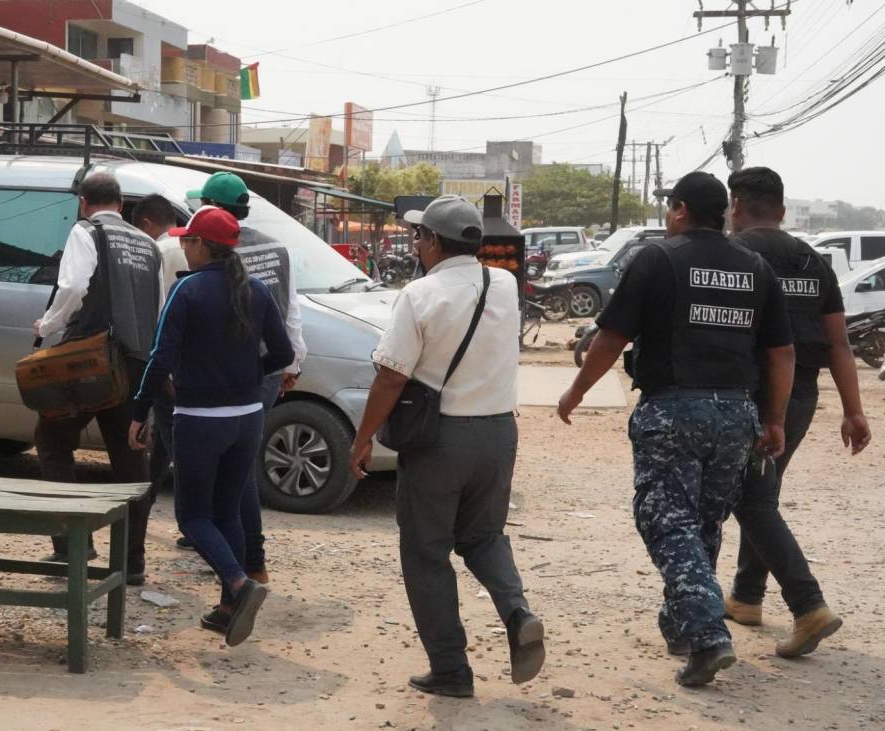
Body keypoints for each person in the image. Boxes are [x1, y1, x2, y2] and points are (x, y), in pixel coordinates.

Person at [558, 171, 795, 687]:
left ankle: (708, 635)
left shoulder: (658, 259)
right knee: (703, 524)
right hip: (736, 415)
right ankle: (681, 624)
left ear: (683, 209)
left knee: (666, 522)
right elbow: (782, 353)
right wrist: (774, 418)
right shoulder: (755, 267)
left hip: (674, 411)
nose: (668, 215)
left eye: (671, 207)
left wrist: (576, 390)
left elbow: (612, 335)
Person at [351, 195, 545, 699]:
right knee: (483, 537)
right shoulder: (502, 283)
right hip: (499, 433)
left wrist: (362, 437)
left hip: (440, 442)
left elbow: (391, 377)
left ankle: (451, 669)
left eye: (419, 236)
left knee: (425, 552)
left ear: (433, 241)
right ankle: (517, 611)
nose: (416, 244)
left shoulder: (419, 294)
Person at [128, 206, 293, 647]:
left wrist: (139, 410)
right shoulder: (256, 290)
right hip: (247, 417)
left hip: (201, 420)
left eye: (187, 240)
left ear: (201, 246)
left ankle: (240, 584)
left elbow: (160, 358)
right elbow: (282, 353)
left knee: (193, 516)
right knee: (226, 511)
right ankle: (226, 609)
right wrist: (246, 374)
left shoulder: (188, 292)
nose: (182, 245)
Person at [724, 167, 870, 656]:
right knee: (762, 489)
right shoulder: (814, 261)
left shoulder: (739, 255)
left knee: (752, 499)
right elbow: (838, 342)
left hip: (754, 393)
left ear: (735, 208)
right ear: (783, 211)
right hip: (802, 395)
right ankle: (746, 597)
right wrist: (854, 410)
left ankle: (809, 607)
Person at [33, 173, 162, 585]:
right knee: (130, 460)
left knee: (52, 442)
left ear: (84, 202)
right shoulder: (148, 245)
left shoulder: (85, 231)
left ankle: (72, 543)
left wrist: (48, 324)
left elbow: (72, 286)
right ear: (122, 205)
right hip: (137, 363)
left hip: (88, 362)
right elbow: (156, 308)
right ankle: (131, 564)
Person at [190, 172, 307, 582]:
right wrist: (290, 365)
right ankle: (242, 559)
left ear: (210, 209)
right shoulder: (278, 248)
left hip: (225, 374)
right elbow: (292, 311)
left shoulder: (207, 252)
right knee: (238, 470)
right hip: (266, 372)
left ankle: (243, 563)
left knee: (230, 478)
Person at [132, 193, 181, 532]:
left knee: (173, 444)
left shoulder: (156, 251)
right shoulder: (194, 244)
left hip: (166, 368)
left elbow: (155, 315)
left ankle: (197, 526)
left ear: (147, 225)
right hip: (192, 368)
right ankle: (145, 509)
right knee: (162, 446)